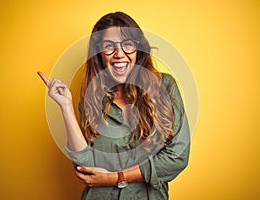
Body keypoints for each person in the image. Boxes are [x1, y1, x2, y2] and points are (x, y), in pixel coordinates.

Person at [38, 11, 190, 200]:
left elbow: (177, 158)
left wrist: (114, 178)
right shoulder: (91, 99)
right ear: (99, 54)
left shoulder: (165, 87)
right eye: (109, 47)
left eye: (127, 44)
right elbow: (84, 165)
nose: (119, 54)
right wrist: (66, 106)